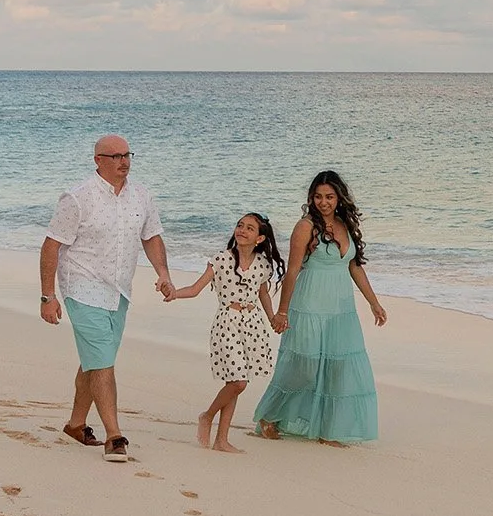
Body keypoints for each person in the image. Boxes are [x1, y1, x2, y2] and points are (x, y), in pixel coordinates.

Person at [38, 133, 173, 463]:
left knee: (95, 360)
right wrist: (47, 296)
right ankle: (114, 435)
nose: (123, 161)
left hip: (119, 291)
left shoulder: (141, 196)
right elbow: (51, 246)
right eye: (115, 156)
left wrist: (164, 273)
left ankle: (75, 424)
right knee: (102, 359)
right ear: (98, 160)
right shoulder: (78, 198)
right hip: (82, 287)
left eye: (127, 154)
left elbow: (151, 237)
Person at [254, 170, 386, 445]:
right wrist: (282, 311)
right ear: (311, 199)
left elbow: (353, 266)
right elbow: (291, 272)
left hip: (340, 310)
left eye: (329, 196)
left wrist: (374, 302)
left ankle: (328, 429)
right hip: (309, 305)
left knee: (338, 369)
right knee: (305, 366)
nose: (323, 202)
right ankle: (269, 414)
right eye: (318, 197)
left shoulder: (345, 224)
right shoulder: (305, 227)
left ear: (339, 198)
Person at [164, 212, 283, 453]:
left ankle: (221, 440)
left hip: (252, 326)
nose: (242, 230)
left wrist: (272, 318)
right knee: (238, 382)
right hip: (227, 323)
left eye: (249, 228)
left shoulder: (263, 265)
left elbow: (263, 294)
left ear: (259, 238)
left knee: (236, 381)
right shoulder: (221, 259)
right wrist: (174, 293)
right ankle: (207, 416)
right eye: (240, 226)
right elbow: (196, 289)